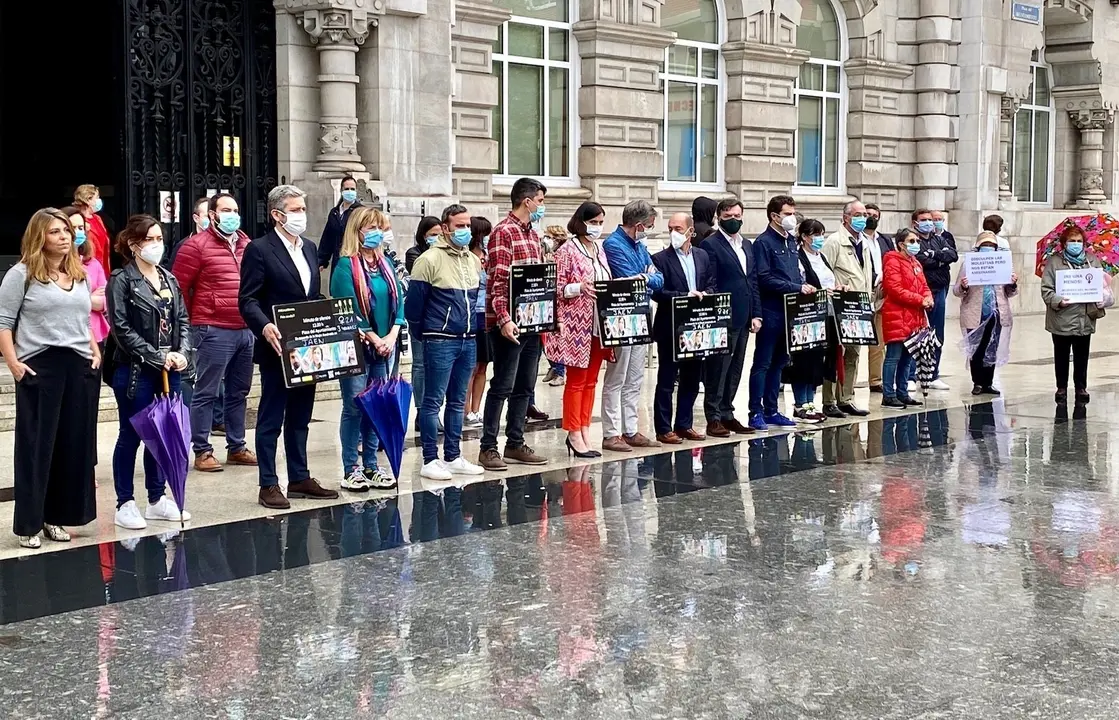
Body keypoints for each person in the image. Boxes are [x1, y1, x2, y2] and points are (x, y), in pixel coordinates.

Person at [0, 208, 101, 549]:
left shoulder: (79, 273)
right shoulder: (21, 274)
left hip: (78, 365)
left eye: (66, 232)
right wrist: (13, 363)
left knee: (71, 446)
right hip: (40, 365)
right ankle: (29, 522)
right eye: (56, 231)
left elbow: (82, 317)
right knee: (36, 446)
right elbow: (4, 322)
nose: (64, 237)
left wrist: (93, 348)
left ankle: (55, 517)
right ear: (39, 236)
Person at [240, 184, 340, 509]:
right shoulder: (259, 249)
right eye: (295, 209)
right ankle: (268, 483)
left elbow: (311, 296)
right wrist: (264, 324)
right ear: (277, 215)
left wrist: (332, 316)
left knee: (300, 415)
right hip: (277, 346)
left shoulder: (310, 248)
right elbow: (248, 299)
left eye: (302, 208)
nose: (302, 215)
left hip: (308, 346)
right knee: (271, 416)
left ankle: (299, 476)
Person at [106, 214, 193, 529]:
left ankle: (157, 498)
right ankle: (124, 502)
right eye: (150, 240)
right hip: (135, 370)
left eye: (160, 239)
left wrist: (182, 353)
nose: (157, 245)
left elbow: (182, 319)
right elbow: (121, 328)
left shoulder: (168, 278)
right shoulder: (122, 279)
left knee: (164, 432)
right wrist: (156, 356)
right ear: (133, 244)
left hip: (170, 369)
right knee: (132, 434)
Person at [172, 192, 258, 473]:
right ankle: (202, 449)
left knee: (239, 391)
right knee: (206, 392)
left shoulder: (247, 244)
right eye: (226, 210)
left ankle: (237, 446)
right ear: (212, 215)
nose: (232, 214)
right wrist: (187, 327)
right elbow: (179, 290)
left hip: (245, 329)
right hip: (212, 328)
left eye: (235, 209)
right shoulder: (195, 246)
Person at [405, 204, 486, 480]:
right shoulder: (429, 260)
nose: (465, 230)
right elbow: (414, 307)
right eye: (459, 226)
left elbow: (475, 301)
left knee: (457, 400)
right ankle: (430, 458)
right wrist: (426, 333)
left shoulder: (472, 260)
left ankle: (453, 455)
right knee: (432, 401)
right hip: (440, 339)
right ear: (446, 226)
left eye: (468, 225)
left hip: (467, 338)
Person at [478, 178, 551, 471]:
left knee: (525, 385)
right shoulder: (503, 233)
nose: (541, 207)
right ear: (527, 201)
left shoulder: (533, 235)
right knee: (502, 385)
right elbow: (498, 281)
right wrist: (504, 319)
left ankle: (515, 441)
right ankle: (488, 447)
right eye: (541, 201)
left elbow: (538, 282)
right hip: (507, 323)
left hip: (533, 321)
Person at [329, 206, 405, 491]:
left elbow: (400, 302)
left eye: (381, 228)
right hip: (357, 346)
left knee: (377, 406)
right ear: (358, 232)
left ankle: (372, 465)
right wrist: (373, 337)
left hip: (387, 344)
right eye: (372, 228)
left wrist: (392, 335)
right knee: (354, 407)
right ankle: (352, 468)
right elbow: (346, 308)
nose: (378, 234)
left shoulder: (386, 264)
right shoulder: (345, 266)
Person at [543, 201, 611, 457]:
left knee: (592, 380)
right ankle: (573, 431)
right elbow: (556, 288)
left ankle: (584, 427)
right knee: (576, 380)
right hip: (575, 324)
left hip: (598, 322)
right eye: (593, 222)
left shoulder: (599, 249)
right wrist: (578, 288)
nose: (597, 227)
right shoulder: (568, 250)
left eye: (600, 222)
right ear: (581, 221)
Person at [601, 199, 663, 452]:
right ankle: (611, 432)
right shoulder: (613, 244)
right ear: (638, 224)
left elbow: (657, 278)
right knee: (617, 376)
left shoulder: (640, 245)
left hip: (642, 312)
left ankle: (630, 428)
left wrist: (646, 276)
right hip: (621, 315)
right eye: (648, 225)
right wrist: (646, 276)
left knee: (636, 376)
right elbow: (627, 279)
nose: (648, 230)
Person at [651, 212, 716, 443]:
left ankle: (684, 424)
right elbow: (658, 292)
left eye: (678, 228)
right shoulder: (659, 259)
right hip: (670, 326)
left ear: (691, 231)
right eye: (670, 228)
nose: (673, 233)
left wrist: (705, 294)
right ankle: (663, 427)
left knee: (691, 378)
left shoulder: (702, 256)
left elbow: (710, 283)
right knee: (667, 379)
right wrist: (683, 296)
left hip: (695, 327)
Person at [702, 198, 761, 437]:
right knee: (718, 369)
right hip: (723, 317)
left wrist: (756, 313)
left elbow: (752, 280)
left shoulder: (746, 244)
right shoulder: (711, 245)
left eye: (737, 216)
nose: (734, 220)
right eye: (728, 217)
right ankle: (713, 416)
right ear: (719, 218)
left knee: (736, 368)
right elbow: (711, 281)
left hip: (745, 315)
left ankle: (727, 412)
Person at [749, 195, 805, 430]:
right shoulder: (763, 243)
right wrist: (795, 287)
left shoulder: (790, 241)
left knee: (780, 362)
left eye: (793, 213)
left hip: (790, 311)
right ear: (774, 216)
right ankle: (756, 411)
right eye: (788, 214)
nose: (792, 218)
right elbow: (764, 277)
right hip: (771, 309)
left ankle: (772, 409)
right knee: (763, 362)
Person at [1041, 224, 1107, 404]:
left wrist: (1102, 297)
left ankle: (1081, 387)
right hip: (1061, 318)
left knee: (1082, 356)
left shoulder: (1092, 261)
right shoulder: (1054, 262)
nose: (1076, 244)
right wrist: (1058, 301)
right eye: (1072, 241)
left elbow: (1102, 286)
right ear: (1064, 243)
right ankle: (1061, 387)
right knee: (1061, 355)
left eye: (1079, 241)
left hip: (1084, 318)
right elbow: (1046, 289)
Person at [820, 200, 872, 418]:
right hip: (838, 307)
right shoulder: (834, 242)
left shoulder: (865, 242)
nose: (863, 218)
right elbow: (824, 273)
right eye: (858, 214)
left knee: (853, 353)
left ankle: (847, 397)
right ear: (846, 217)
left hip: (859, 307)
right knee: (834, 354)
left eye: (864, 214)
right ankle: (829, 399)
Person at [953, 230, 1018, 396]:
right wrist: (964, 286)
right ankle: (977, 382)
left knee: (992, 346)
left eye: (991, 245)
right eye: (985, 245)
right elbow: (957, 291)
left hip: (997, 312)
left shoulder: (1002, 263)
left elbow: (1009, 292)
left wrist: (1012, 283)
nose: (988, 248)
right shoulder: (969, 264)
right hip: (975, 312)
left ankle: (988, 382)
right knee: (977, 348)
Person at [785, 219, 837, 423]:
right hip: (805, 315)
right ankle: (800, 404)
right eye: (815, 235)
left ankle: (810, 401)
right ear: (805, 237)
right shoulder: (798, 256)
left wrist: (837, 288)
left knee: (818, 360)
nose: (819, 239)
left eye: (821, 234)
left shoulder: (821, 256)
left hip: (825, 312)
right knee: (802, 361)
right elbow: (802, 283)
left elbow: (827, 279)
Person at [881, 228, 932, 409]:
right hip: (897, 315)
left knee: (908, 357)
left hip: (915, 316)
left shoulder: (915, 262)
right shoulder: (892, 261)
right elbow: (894, 289)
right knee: (893, 356)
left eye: (917, 240)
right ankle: (888, 394)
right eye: (912, 241)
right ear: (901, 244)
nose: (916, 244)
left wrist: (928, 297)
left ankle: (902, 392)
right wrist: (921, 300)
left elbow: (924, 285)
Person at [911, 208, 957, 390]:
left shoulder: (940, 239)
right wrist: (939, 259)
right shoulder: (913, 241)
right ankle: (912, 375)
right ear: (915, 223)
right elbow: (921, 260)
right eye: (923, 220)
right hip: (920, 292)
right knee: (917, 334)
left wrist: (935, 256)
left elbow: (952, 255)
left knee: (937, 333)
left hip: (939, 290)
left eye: (930, 220)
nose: (929, 223)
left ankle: (933, 373)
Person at [405, 216, 442, 432]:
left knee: (436, 365)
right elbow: (428, 278)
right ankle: (421, 411)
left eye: (440, 233)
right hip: (421, 314)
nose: (436, 238)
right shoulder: (415, 253)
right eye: (432, 234)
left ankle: (433, 411)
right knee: (419, 364)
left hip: (438, 317)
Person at [61, 206, 110, 351]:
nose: (77, 232)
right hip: (66, 337)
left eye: (80, 227)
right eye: (72, 227)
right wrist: (89, 298)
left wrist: (78, 298)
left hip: (95, 335)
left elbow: (105, 300)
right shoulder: (54, 264)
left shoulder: (93, 263)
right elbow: (61, 300)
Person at [465, 216, 491, 429]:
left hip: (487, 313)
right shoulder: (467, 256)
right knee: (472, 366)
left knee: (483, 364)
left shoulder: (487, 255)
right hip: (474, 312)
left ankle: (476, 408)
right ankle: (465, 410)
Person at [865, 203, 890, 393]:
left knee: (879, 340)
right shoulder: (857, 239)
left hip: (882, 291)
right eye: (867, 214)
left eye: (874, 215)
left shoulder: (884, 240)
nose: (871, 217)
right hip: (865, 289)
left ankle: (876, 379)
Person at [317, 175, 363, 273]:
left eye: (352, 189)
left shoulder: (361, 212)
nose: (350, 191)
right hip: (337, 259)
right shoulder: (334, 212)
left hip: (355, 259)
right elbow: (327, 237)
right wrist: (322, 260)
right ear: (341, 191)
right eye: (347, 189)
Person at [73, 184, 112, 273]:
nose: (99, 200)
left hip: (103, 266)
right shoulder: (77, 220)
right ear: (88, 199)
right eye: (97, 197)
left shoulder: (97, 218)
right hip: (86, 267)